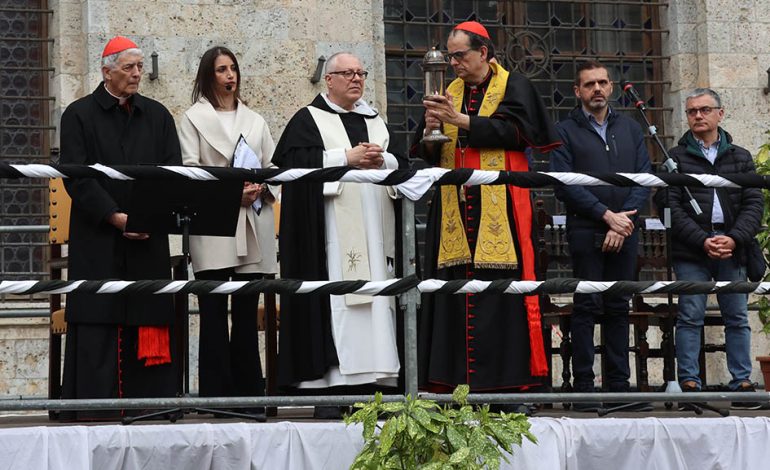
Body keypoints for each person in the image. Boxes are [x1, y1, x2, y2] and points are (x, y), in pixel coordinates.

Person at [413, 21, 561, 402]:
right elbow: (426, 152)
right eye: (450, 56)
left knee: (504, 294)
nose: (454, 63)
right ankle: (451, 382)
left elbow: (519, 135)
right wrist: (430, 130)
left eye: (460, 55)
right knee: (453, 292)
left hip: (504, 207)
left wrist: (461, 121)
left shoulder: (515, 86)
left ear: (484, 52)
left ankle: (511, 384)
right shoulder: (450, 91)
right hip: (456, 211)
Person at [272, 52, 406, 418]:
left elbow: (402, 163)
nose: (356, 79)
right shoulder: (308, 120)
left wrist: (385, 162)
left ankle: (376, 386)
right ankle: (331, 388)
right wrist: (344, 159)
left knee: (377, 300)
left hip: (376, 236)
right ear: (328, 80)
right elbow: (290, 168)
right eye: (347, 73)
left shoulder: (375, 120)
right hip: (329, 237)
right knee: (335, 301)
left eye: (360, 73)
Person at [59, 36, 181, 420]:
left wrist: (149, 217)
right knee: (100, 313)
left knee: (148, 308)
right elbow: (76, 178)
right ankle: (97, 409)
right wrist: (114, 216)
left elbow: (172, 171)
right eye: (129, 67)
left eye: (140, 67)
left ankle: (152, 408)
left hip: (148, 238)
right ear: (106, 70)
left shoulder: (159, 116)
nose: (136, 74)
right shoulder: (78, 115)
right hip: (98, 236)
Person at [178, 46, 277, 419]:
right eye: (221, 69)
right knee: (214, 309)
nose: (229, 75)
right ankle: (217, 397)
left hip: (252, 220)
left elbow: (272, 166)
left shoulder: (255, 120)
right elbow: (189, 170)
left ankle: (251, 394)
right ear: (209, 75)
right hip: (215, 224)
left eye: (233, 68)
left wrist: (262, 189)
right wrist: (230, 194)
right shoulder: (193, 119)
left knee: (247, 310)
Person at [549, 60, 652, 411]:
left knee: (618, 306)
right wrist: (606, 216)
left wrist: (622, 222)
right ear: (578, 91)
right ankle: (585, 388)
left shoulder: (631, 129)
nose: (597, 89)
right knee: (586, 307)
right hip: (585, 229)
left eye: (603, 83)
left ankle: (620, 388)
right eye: (589, 84)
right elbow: (564, 184)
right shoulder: (563, 131)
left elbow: (644, 177)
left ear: (610, 88)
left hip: (625, 230)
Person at [666, 88, 764, 409]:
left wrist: (734, 238)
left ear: (720, 114)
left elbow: (753, 202)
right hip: (693, 250)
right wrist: (702, 240)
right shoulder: (674, 158)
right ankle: (690, 382)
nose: (698, 116)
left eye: (705, 110)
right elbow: (670, 205)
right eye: (692, 111)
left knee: (736, 316)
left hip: (732, 247)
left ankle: (741, 382)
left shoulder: (740, 156)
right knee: (690, 315)